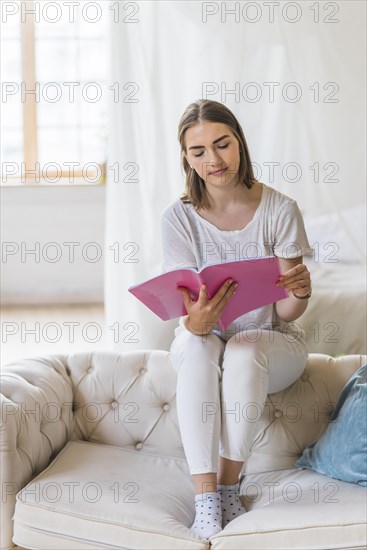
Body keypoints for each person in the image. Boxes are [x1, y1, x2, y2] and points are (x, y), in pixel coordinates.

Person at [160, 99, 313, 540]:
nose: (214, 160)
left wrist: (299, 292)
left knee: (244, 349)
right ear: (186, 157)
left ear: (240, 144)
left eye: (222, 145)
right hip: (202, 336)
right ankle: (206, 498)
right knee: (196, 344)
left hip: (272, 340)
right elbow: (189, 316)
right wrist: (196, 323)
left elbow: (286, 312)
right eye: (198, 151)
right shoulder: (178, 218)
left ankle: (230, 486)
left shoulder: (280, 209)